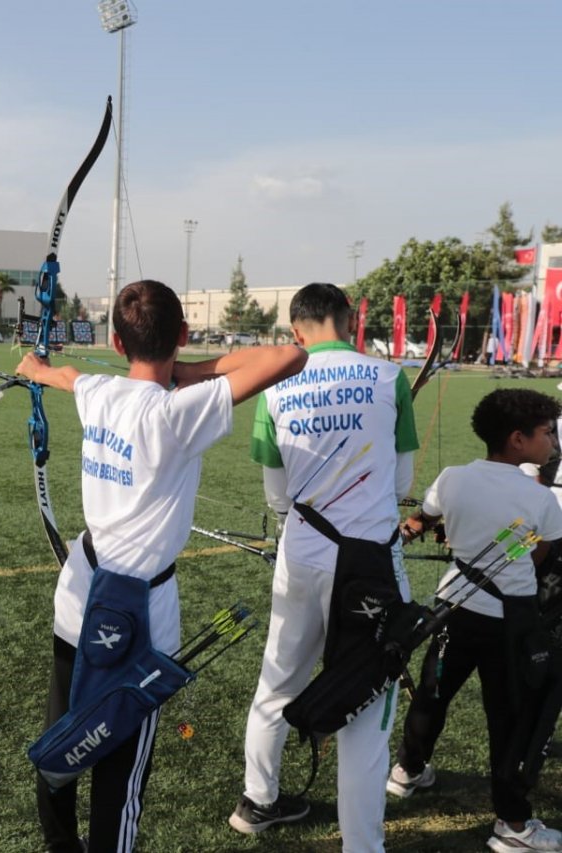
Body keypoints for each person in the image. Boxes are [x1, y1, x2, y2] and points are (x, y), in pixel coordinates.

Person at [18, 279, 306, 852]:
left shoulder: (98, 392)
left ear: (118, 344)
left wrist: (34, 368)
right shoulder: (179, 413)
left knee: (63, 734)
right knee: (120, 770)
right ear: (182, 334)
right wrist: (194, 368)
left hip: (78, 595)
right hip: (142, 615)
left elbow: (68, 376)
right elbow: (290, 355)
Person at [228, 283, 418, 851]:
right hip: (372, 564)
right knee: (367, 702)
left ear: (296, 333)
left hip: (304, 554)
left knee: (277, 683)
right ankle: (362, 844)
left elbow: (277, 495)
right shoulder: (388, 376)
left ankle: (258, 801)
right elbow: (403, 484)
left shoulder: (277, 381)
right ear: (349, 319)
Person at [390, 389, 562, 853]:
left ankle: (406, 770)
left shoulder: (451, 477)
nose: (553, 441)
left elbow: (425, 517)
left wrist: (418, 529)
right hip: (511, 623)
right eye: (547, 432)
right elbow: (543, 558)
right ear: (518, 440)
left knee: (433, 693)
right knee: (509, 720)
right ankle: (513, 825)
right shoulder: (541, 498)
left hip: (452, 610)